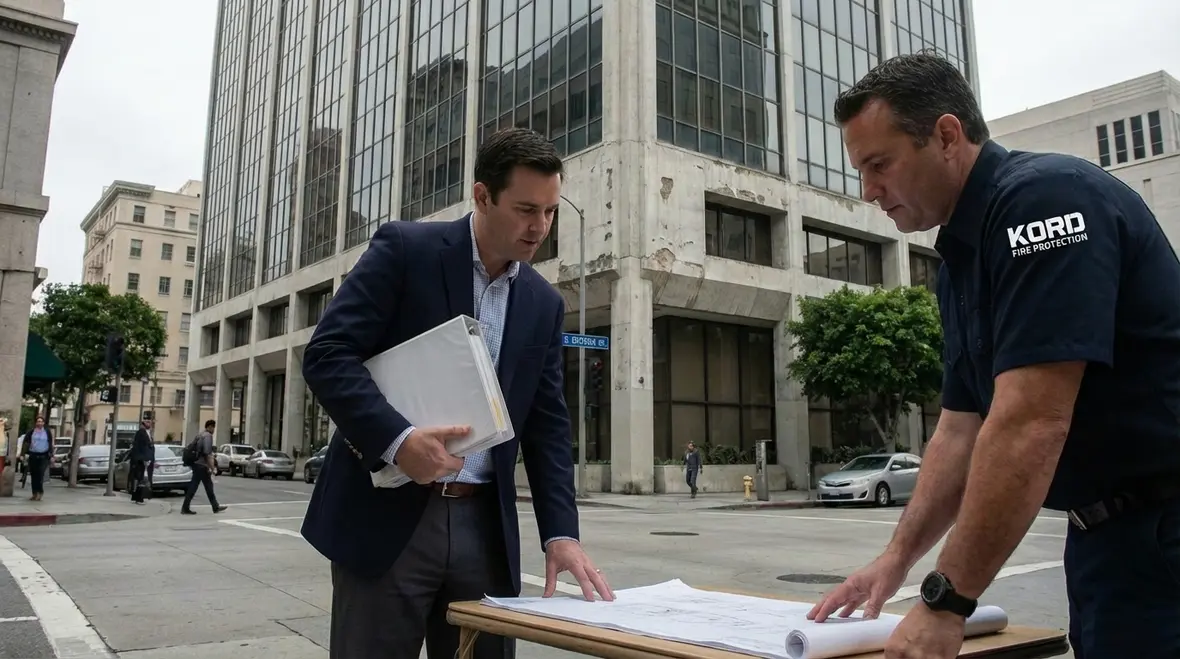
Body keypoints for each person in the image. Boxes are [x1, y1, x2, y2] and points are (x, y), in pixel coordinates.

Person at [807, 52, 1180, 659]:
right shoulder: (960, 262)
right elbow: (960, 430)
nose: (869, 191)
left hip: (1164, 526)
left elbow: (1031, 421)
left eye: (879, 165)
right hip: (1102, 540)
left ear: (946, 136)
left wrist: (946, 602)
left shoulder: (1044, 201)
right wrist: (895, 561)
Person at [301, 127, 614, 659]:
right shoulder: (406, 250)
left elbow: (547, 426)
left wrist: (561, 533)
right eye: (525, 209)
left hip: (483, 530)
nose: (540, 227)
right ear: (482, 196)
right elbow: (327, 354)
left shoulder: (542, 303)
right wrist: (398, 441)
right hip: (387, 521)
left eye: (550, 211)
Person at [181, 420, 225, 515]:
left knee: (203, 486)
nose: (214, 430)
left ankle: (214, 506)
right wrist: (212, 468)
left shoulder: (200, 435)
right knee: (201, 486)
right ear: (209, 427)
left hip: (196, 464)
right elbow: (207, 453)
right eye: (213, 427)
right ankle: (186, 507)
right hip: (201, 465)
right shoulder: (208, 436)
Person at [19, 416, 52, 501]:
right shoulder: (31, 432)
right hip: (33, 455)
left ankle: (40, 492)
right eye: (38, 421)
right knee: (34, 475)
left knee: (40, 475)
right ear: (36, 423)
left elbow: (50, 442)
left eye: (41, 421)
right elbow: (26, 443)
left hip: (44, 456)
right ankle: (34, 493)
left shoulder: (47, 432)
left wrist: (51, 454)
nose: (39, 423)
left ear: (43, 423)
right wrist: (22, 454)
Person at [128, 418, 155, 504]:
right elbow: (142, 447)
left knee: (140, 478)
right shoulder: (141, 433)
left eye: (150, 422)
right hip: (141, 460)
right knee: (141, 478)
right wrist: (145, 459)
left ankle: (137, 497)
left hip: (143, 459)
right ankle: (139, 497)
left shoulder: (147, 433)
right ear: (143, 423)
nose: (149, 423)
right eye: (147, 422)